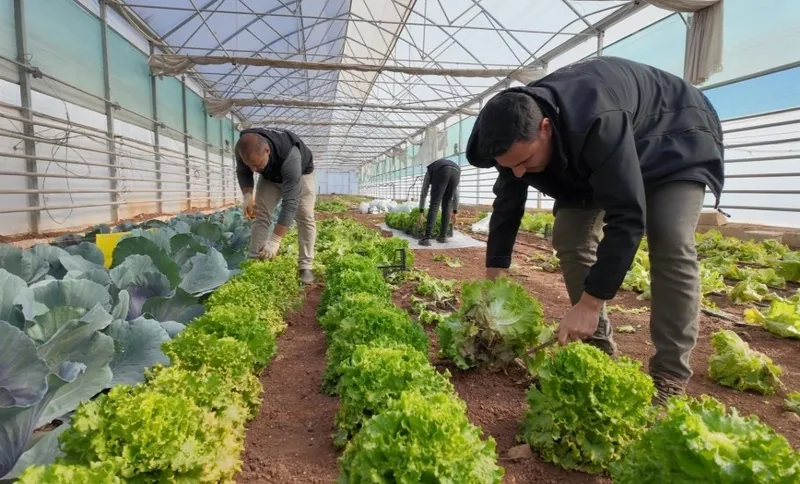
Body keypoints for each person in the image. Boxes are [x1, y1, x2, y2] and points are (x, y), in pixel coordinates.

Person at [465, 56, 724, 405]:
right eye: (511, 166)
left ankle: (669, 374)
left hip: (674, 136)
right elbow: (508, 204)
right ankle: (597, 344)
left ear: (545, 128)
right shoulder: (509, 135)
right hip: (593, 153)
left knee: (670, 240)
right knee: (570, 236)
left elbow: (627, 216)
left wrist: (590, 303)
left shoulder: (596, 121)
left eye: (526, 161)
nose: (520, 173)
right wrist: (494, 276)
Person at [235, 127, 317, 284]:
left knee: (305, 216)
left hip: (300, 174)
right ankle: (255, 262)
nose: (254, 170)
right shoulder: (243, 148)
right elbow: (243, 172)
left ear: (267, 151)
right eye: (250, 165)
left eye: (257, 165)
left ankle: (305, 266)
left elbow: (290, 203)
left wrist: (275, 240)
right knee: (259, 214)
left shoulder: (290, 156)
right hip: (270, 176)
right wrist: (247, 195)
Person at [416, 157, 461, 246]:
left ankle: (426, 238)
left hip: (442, 170)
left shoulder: (430, 170)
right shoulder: (439, 166)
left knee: (434, 204)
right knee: (447, 205)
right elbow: (455, 193)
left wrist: (421, 212)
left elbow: (424, 192)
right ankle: (443, 237)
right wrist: (455, 211)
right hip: (457, 171)